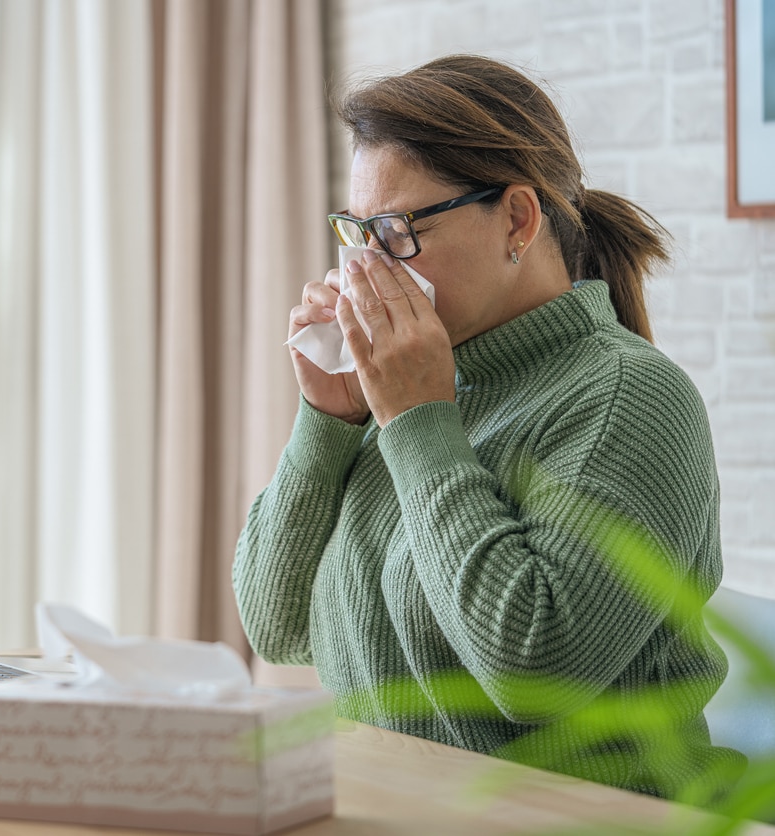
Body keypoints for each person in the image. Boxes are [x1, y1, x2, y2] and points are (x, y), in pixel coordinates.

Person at [232, 54, 745, 803]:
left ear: (515, 218)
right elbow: (274, 626)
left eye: (398, 230)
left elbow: (535, 675)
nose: (371, 267)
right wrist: (327, 421)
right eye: (358, 232)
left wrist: (415, 418)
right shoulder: (407, 386)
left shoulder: (627, 395)